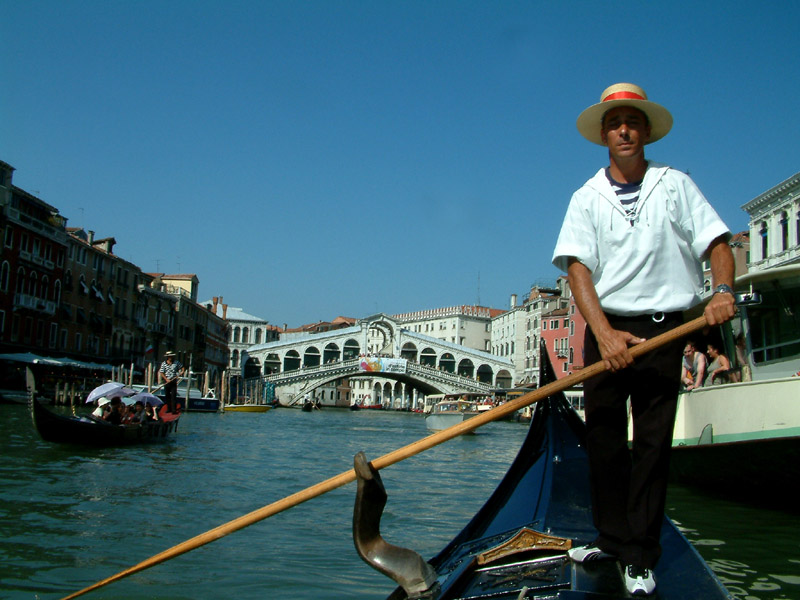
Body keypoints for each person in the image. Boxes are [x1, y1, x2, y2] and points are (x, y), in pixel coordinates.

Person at [552, 83, 736, 596]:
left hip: (665, 328)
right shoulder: (586, 197)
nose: (624, 130)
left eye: (632, 121)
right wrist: (605, 334)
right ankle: (611, 539)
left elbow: (718, 244)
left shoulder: (675, 185)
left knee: (652, 445)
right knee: (605, 442)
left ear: (646, 130)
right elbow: (578, 270)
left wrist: (720, 290)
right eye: (615, 123)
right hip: (607, 328)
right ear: (604, 135)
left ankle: (639, 553)